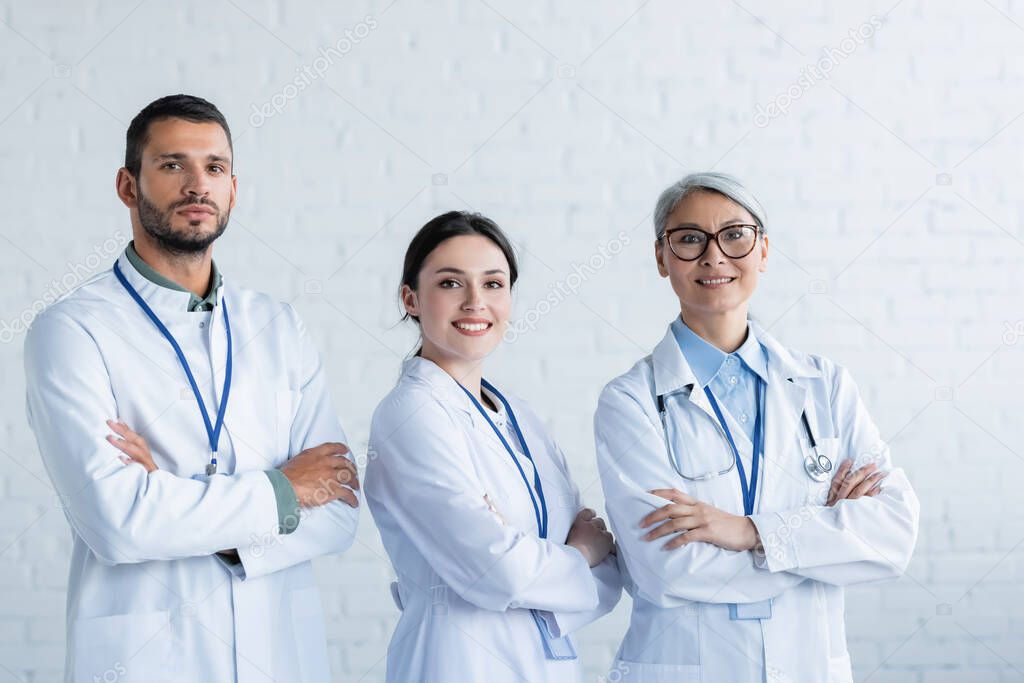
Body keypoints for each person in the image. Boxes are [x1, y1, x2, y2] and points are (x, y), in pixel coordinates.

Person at [24, 94, 359, 683]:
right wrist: (284, 492)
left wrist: (173, 498)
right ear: (129, 186)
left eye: (215, 167)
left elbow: (339, 509)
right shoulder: (73, 330)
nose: (197, 184)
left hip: (278, 656)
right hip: (147, 657)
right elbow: (119, 523)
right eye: (173, 164)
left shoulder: (277, 326)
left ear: (234, 188)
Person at [594, 172, 920, 682]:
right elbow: (666, 571)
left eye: (734, 235)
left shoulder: (825, 386)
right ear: (661, 257)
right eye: (688, 239)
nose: (714, 256)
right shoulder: (629, 402)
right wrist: (821, 539)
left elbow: (892, 537)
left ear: (763, 250)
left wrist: (748, 532)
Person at [365, 211, 622, 682]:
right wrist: (576, 555)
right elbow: (496, 572)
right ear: (411, 298)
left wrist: (537, 560)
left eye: (493, 284)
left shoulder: (518, 415)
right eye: (449, 284)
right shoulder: (411, 416)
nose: (474, 303)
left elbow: (609, 579)